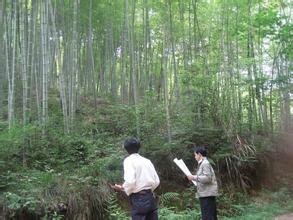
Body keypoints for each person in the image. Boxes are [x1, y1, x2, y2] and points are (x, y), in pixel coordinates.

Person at [111, 138, 160, 220]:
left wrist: (123, 187)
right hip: (151, 198)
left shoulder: (129, 160)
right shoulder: (147, 161)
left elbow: (130, 181)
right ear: (139, 147)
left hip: (139, 200)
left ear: (126, 149)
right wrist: (148, 190)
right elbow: (157, 181)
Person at [187, 146, 218, 220]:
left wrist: (194, 177)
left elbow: (208, 178)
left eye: (195, 155)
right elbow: (203, 176)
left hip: (207, 194)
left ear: (199, 154)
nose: (195, 157)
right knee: (211, 216)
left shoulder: (205, 163)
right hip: (206, 193)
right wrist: (194, 177)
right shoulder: (203, 163)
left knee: (208, 216)